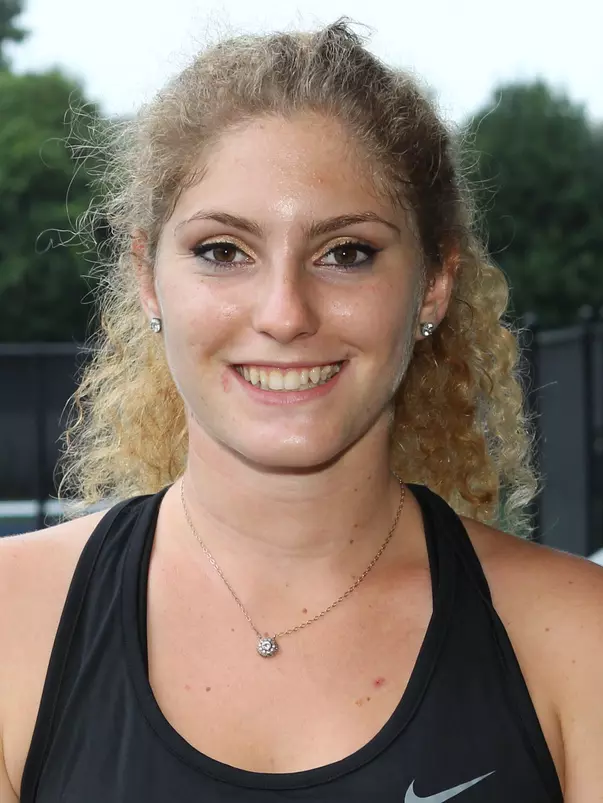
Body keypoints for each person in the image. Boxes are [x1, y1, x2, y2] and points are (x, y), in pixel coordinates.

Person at [0, 17, 601, 803]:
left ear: (433, 282)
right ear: (149, 278)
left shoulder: (573, 638)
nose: (284, 313)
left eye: (345, 253)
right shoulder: (14, 623)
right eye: (223, 251)